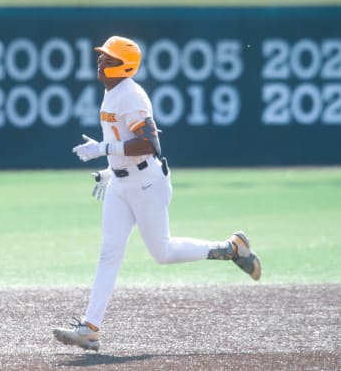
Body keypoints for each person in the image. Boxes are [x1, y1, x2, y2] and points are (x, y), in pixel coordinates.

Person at [52, 36, 262, 352]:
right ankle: (90, 328)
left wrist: (103, 149)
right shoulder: (112, 92)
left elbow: (150, 145)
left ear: (124, 66)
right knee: (109, 253)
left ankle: (231, 248)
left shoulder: (131, 96)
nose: (101, 62)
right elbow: (128, 147)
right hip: (121, 185)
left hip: (147, 184)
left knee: (163, 253)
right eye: (102, 57)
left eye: (108, 59)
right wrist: (110, 169)